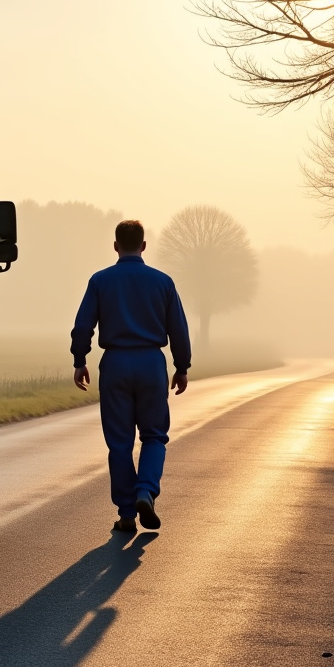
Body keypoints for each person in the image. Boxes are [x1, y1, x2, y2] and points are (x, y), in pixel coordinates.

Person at [71, 220, 192, 532]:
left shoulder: (100, 281)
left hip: (115, 364)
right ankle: (145, 491)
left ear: (115, 246)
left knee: (120, 442)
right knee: (154, 435)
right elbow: (178, 329)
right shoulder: (163, 282)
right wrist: (181, 367)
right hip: (151, 363)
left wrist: (80, 360)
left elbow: (83, 326)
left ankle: (126, 514)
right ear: (144, 246)